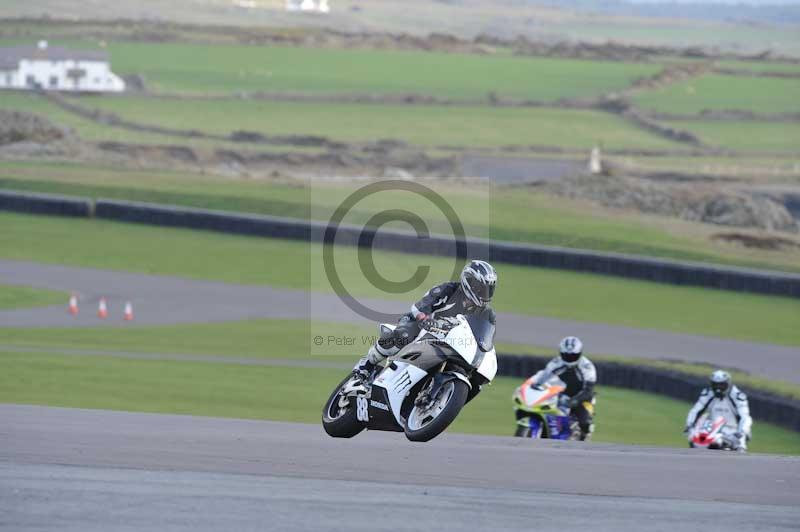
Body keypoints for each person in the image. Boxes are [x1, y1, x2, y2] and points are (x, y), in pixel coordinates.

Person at [352, 259, 497, 383]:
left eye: (489, 289)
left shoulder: (487, 314)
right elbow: (420, 307)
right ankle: (367, 364)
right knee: (403, 335)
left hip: (450, 344)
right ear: (469, 282)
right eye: (481, 288)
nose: (484, 294)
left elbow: (485, 339)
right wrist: (425, 319)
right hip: (423, 328)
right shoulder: (448, 290)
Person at [530, 336, 597, 441]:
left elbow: (588, 390)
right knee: (543, 409)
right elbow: (543, 376)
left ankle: (584, 439)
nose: (569, 358)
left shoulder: (587, 367)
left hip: (583, 398)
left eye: (573, 355)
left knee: (585, 422)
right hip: (561, 394)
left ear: (580, 353)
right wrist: (534, 385)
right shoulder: (556, 363)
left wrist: (574, 401)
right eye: (566, 355)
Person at [685, 370, 752, 451]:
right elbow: (696, 410)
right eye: (715, 385)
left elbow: (745, 417)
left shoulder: (738, 396)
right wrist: (689, 425)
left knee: (739, 446)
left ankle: (741, 449)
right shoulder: (708, 393)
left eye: (721, 385)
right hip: (713, 429)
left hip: (734, 430)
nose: (718, 388)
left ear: (728, 384)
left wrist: (742, 431)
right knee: (695, 438)